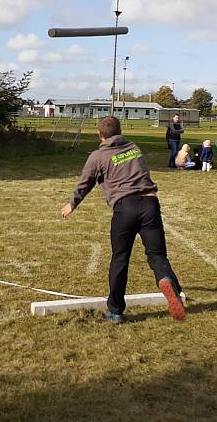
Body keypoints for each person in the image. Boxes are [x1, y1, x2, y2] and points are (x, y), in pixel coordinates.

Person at [61, 116, 186, 323]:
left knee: (120, 258)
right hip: (150, 204)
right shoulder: (134, 148)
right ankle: (166, 280)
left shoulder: (97, 156)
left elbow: (86, 182)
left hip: (124, 208)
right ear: (121, 131)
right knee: (157, 255)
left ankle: (115, 311)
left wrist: (72, 204)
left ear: (99, 134)